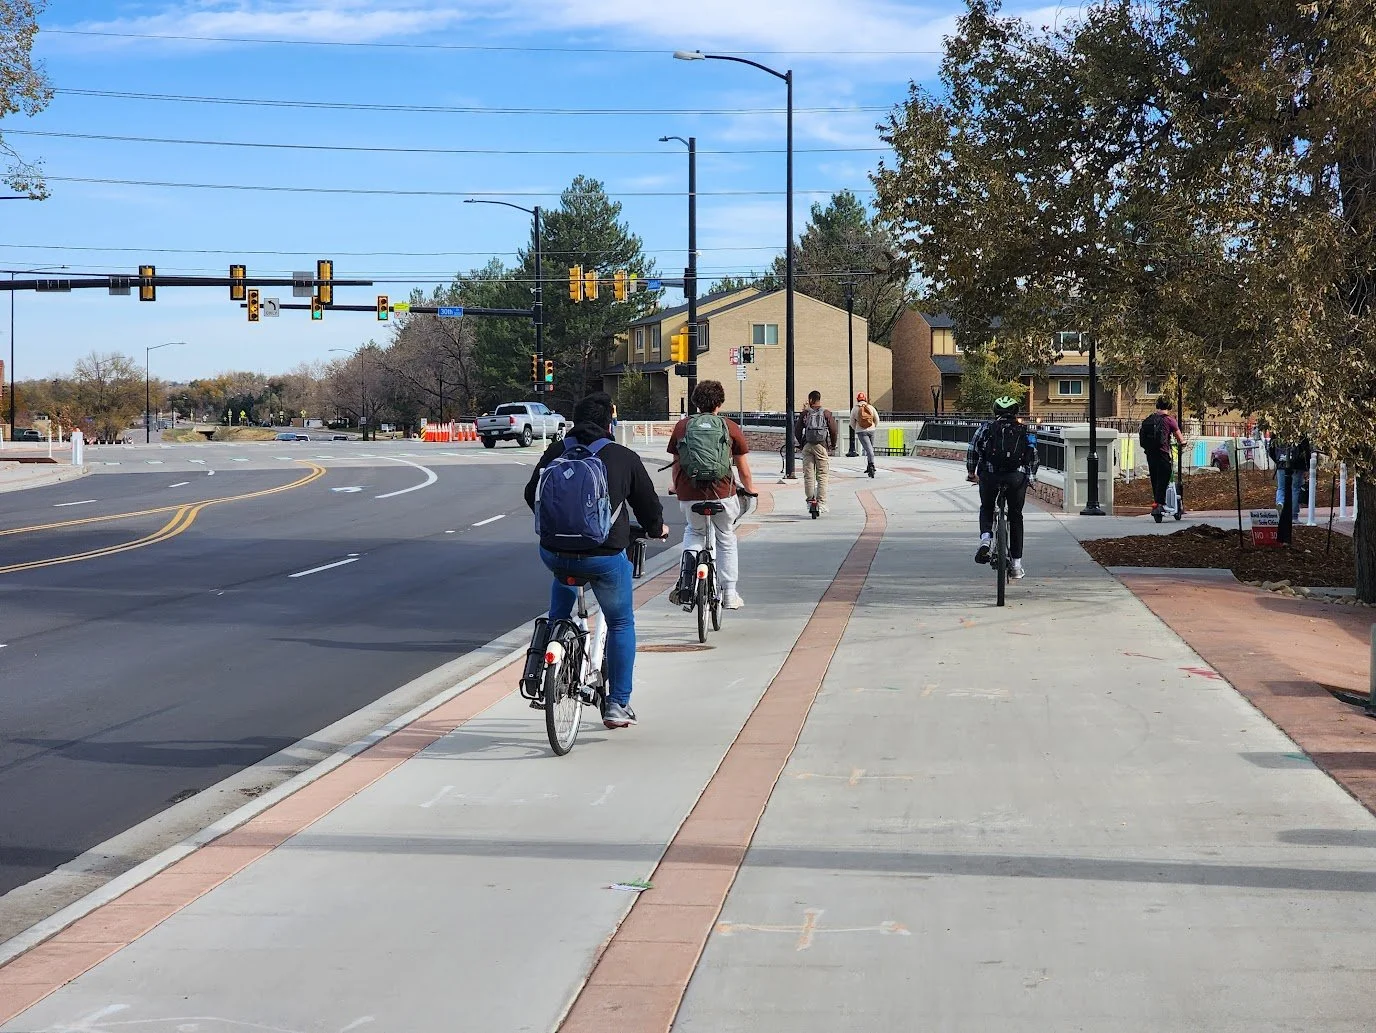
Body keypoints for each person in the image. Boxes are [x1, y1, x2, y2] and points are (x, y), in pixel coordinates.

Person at [524, 392, 667, 729]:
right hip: (603, 557)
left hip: (554, 552)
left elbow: (532, 494)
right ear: (609, 423)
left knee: (563, 581)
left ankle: (549, 653)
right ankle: (618, 703)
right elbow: (648, 505)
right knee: (621, 622)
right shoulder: (622, 457)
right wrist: (656, 528)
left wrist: (559, 527)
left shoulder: (556, 451)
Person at [666, 380, 756, 610]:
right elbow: (743, 469)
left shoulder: (682, 427)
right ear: (720, 402)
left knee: (694, 532)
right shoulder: (729, 427)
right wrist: (751, 490)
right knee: (725, 537)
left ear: (696, 402)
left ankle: (687, 580)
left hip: (690, 494)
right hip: (722, 493)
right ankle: (729, 594)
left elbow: (677, 464)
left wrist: (676, 487)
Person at [965, 396, 1039, 579]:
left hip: (990, 476)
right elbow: (1034, 457)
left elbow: (972, 450)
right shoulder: (1025, 430)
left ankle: (986, 539)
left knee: (987, 507)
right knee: (1016, 517)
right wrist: (1030, 478)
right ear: (1016, 412)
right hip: (1016, 477)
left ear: (995, 412)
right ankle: (1016, 565)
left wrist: (971, 473)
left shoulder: (985, 428)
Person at [1139, 397, 1186, 522]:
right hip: (1163, 453)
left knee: (1155, 478)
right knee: (1165, 476)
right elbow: (1180, 438)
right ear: (1169, 407)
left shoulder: (1149, 420)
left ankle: (1157, 503)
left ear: (1157, 406)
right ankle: (1159, 504)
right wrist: (1182, 442)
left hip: (1150, 453)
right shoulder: (1170, 420)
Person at [795, 390, 838, 513]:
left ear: (810, 400)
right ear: (819, 399)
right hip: (821, 446)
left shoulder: (805, 414)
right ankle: (822, 502)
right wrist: (832, 445)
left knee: (808, 475)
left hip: (808, 446)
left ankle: (810, 501)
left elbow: (797, 430)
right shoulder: (826, 413)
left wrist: (801, 443)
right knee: (822, 475)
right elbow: (834, 430)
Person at [1267, 431, 1312, 545]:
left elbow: (1271, 449)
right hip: (1297, 465)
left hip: (1281, 463)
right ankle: (1293, 516)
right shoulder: (1300, 432)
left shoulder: (1278, 431)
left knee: (1281, 488)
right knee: (1295, 488)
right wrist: (1306, 466)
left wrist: (1278, 460)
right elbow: (1306, 451)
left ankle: (1280, 504)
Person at [850, 392, 880, 477]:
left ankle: (870, 465)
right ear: (865, 399)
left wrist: (856, 429)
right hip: (872, 430)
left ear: (857, 399)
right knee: (870, 449)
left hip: (861, 432)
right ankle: (870, 465)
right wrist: (874, 426)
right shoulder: (870, 407)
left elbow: (852, 422)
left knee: (868, 449)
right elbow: (877, 419)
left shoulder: (855, 409)